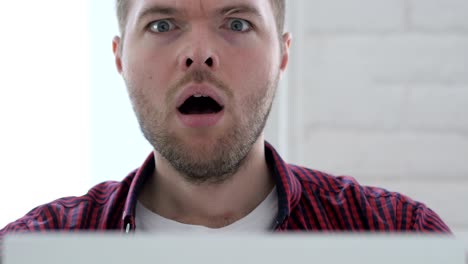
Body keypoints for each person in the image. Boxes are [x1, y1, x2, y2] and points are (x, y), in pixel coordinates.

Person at [0, 0, 450, 236]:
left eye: (236, 23)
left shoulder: (400, 237)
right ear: (119, 58)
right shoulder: (29, 249)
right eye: (162, 24)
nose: (199, 54)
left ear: (283, 54)